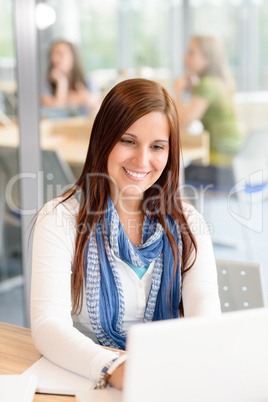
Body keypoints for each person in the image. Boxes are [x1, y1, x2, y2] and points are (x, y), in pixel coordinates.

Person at [31, 78, 221, 390]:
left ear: (170, 153)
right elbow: (47, 325)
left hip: (165, 379)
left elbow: (205, 311)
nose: (142, 160)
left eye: (157, 146)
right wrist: (116, 369)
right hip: (87, 379)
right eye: (128, 141)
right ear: (103, 140)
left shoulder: (189, 222)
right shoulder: (60, 217)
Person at [175, 35, 243, 188]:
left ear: (207, 59)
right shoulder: (219, 83)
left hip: (220, 169)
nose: (185, 57)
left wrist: (178, 91)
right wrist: (194, 91)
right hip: (236, 167)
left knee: (166, 175)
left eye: (191, 53)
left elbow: (181, 124)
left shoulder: (207, 85)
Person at [41, 40, 100, 117]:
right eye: (52, 55)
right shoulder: (45, 85)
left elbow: (98, 111)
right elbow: (55, 111)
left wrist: (87, 99)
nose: (54, 59)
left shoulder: (88, 82)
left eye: (59, 53)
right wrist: (61, 82)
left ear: (73, 57)